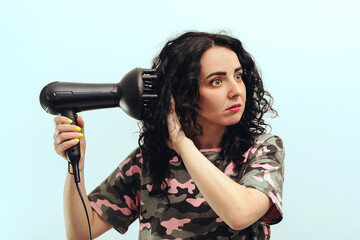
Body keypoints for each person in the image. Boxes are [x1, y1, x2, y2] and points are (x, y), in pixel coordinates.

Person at [53, 31, 285, 240]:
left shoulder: (261, 149)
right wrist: (77, 166)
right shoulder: (150, 160)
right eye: (216, 81)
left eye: (238, 76)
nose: (236, 90)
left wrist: (182, 144)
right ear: (182, 94)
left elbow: (239, 214)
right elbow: (81, 233)